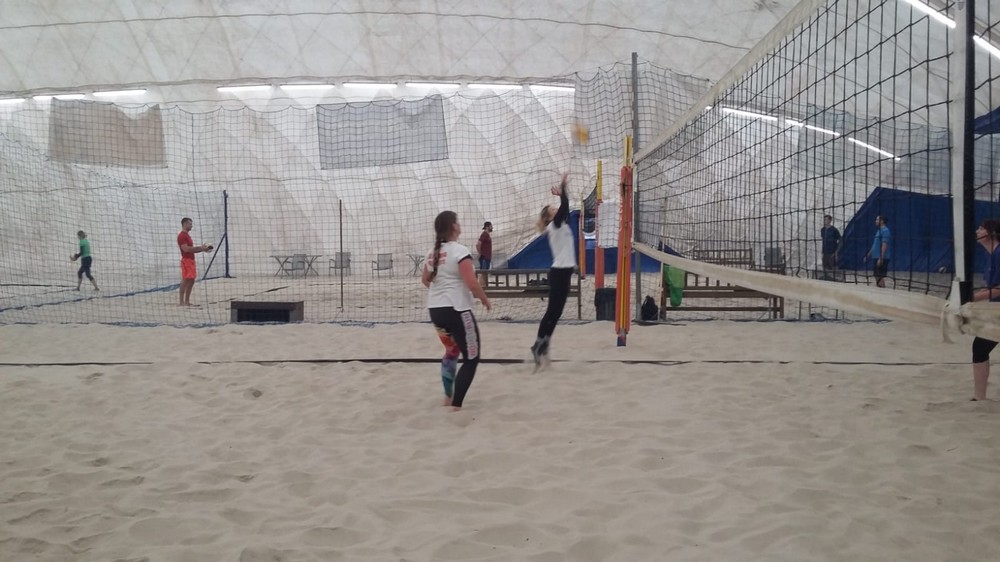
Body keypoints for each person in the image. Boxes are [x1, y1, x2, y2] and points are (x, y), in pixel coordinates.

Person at [422, 211, 491, 411]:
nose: (460, 224)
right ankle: (456, 406)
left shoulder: (432, 252)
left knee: (451, 351)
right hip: (457, 310)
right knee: (471, 359)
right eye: (458, 222)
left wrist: (442, 290)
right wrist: (484, 299)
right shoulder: (459, 250)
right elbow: (472, 283)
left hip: (436, 310)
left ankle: (447, 398)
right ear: (453, 226)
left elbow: (425, 280)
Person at [531, 173, 575, 370]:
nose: (556, 209)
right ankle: (538, 345)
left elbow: (565, 208)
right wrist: (563, 187)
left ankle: (544, 345)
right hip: (559, 273)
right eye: (552, 209)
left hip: (565, 272)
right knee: (551, 311)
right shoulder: (554, 226)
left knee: (556, 313)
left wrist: (563, 194)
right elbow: (564, 206)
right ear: (549, 217)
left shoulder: (561, 224)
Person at [970, 219, 1000, 401]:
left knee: (980, 347)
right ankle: (979, 397)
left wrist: (973, 298)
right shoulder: (991, 255)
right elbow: (991, 287)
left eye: (981, 228)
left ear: (991, 233)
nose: (977, 231)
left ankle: (980, 397)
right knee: (980, 347)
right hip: (996, 309)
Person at [177, 217, 212, 306]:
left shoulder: (187, 235)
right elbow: (186, 249)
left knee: (191, 280)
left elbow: (190, 249)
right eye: (190, 224)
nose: (191, 226)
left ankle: (187, 301)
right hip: (186, 260)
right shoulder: (182, 235)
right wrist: (201, 248)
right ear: (184, 224)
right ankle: (181, 302)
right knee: (185, 280)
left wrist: (202, 248)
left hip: (191, 260)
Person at [864, 215, 891, 288]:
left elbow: (884, 244)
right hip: (876, 256)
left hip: (883, 257)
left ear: (882, 221)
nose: (875, 221)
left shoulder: (885, 231)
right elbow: (874, 245)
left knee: (879, 275)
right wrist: (868, 255)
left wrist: (881, 257)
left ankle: (882, 289)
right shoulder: (879, 231)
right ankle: (879, 288)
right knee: (876, 275)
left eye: (877, 220)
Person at [820, 214, 841, 278]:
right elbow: (823, 241)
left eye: (826, 219)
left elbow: (841, 240)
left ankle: (837, 280)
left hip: (832, 253)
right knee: (825, 269)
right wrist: (822, 252)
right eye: (824, 220)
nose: (825, 221)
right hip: (825, 253)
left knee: (834, 268)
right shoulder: (822, 229)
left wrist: (836, 252)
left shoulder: (834, 230)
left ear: (830, 220)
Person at [476, 221, 493, 287]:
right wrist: (480, 253)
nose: (492, 227)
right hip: (484, 257)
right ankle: (481, 287)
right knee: (483, 273)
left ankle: (485, 286)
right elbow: (478, 244)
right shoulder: (484, 234)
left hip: (487, 257)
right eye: (491, 226)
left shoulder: (487, 235)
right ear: (487, 227)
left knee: (485, 273)